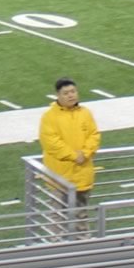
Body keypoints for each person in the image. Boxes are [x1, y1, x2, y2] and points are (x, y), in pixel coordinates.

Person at [38, 78, 100, 219]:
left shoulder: (86, 113)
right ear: (58, 95)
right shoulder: (49, 117)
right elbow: (51, 143)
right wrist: (74, 156)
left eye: (73, 91)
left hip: (83, 175)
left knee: (81, 216)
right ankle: (56, 241)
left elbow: (94, 135)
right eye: (66, 93)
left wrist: (85, 153)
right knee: (57, 217)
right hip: (59, 176)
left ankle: (82, 241)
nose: (71, 95)